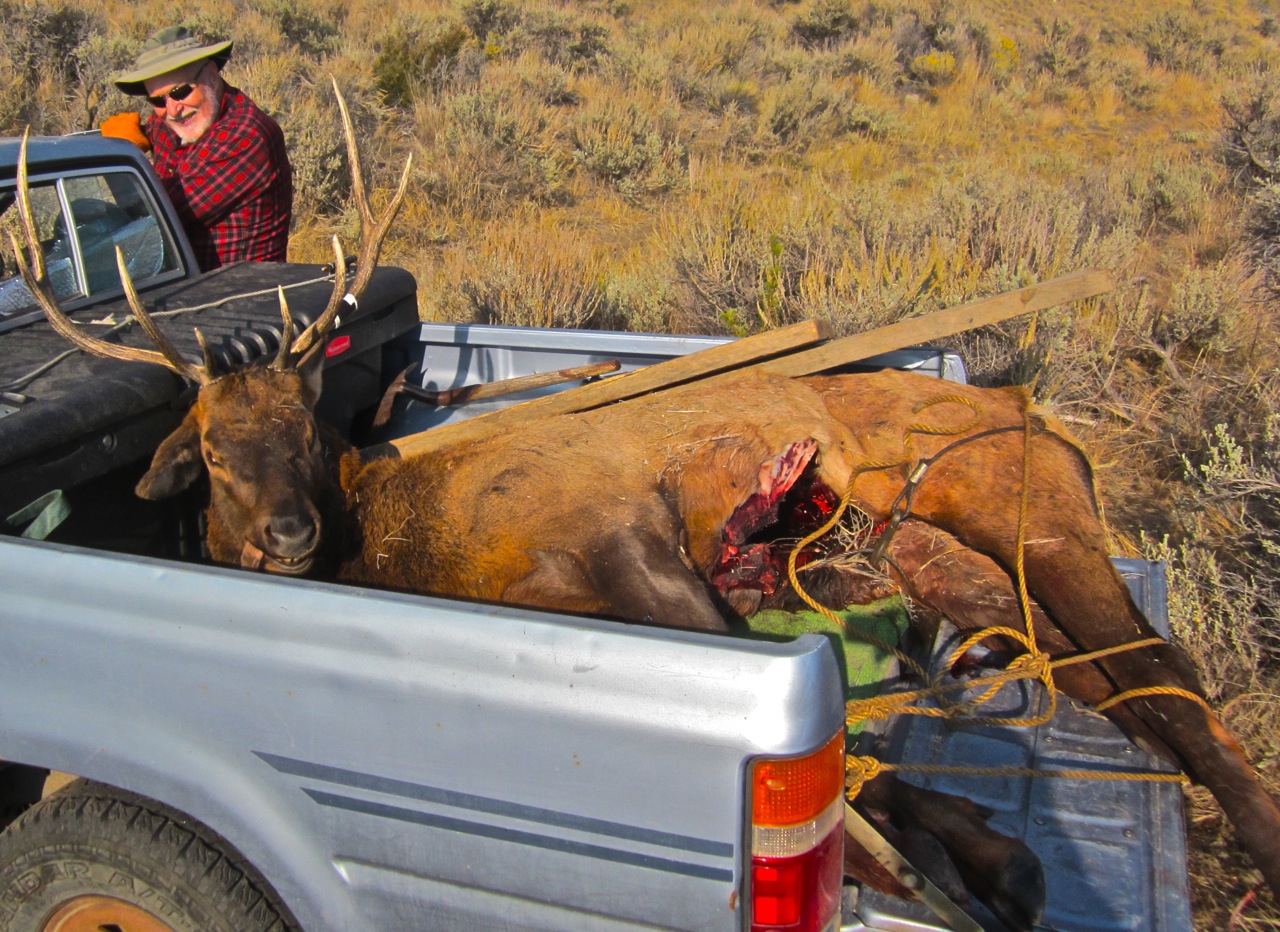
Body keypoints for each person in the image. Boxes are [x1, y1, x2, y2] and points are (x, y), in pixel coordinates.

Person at [101, 26, 293, 272]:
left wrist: (121, 156)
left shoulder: (246, 135)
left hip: (241, 296)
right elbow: (157, 133)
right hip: (188, 289)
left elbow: (156, 223)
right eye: (157, 100)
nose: (172, 110)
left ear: (211, 74)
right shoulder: (173, 121)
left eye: (180, 92)